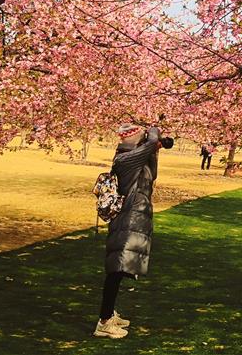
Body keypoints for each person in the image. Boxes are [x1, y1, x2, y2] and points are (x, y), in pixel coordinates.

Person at [94, 122, 164, 338]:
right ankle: (104, 322)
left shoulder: (136, 158)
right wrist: (153, 131)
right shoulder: (125, 158)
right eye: (140, 135)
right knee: (116, 269)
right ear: (130, 138)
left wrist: (155, 150)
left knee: (121, 268)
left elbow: (152, 174)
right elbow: (152, 140)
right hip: (127, 217)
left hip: (136, 217)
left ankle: (108, 314)